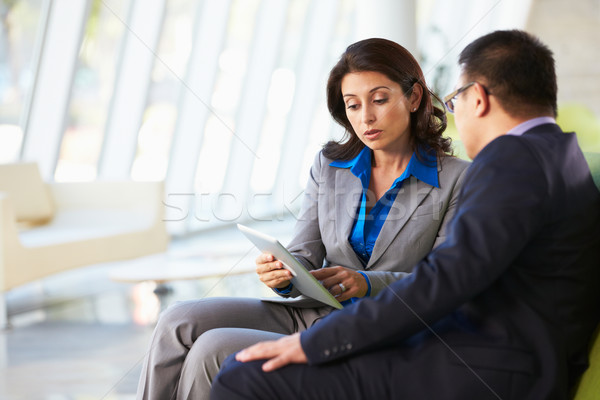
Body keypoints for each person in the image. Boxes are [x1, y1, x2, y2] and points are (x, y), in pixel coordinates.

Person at [211, 30, 600, 400]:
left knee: (243, 375)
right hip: (513, 359)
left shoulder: (509, 160)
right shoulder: (565, 157)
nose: (456, 116)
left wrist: (318, 343)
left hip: (482, 366)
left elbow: (446, 278)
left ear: (477, 98)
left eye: (455, 102)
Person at [136, 38, 469, 400]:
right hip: (313, 311)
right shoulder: (330, 165)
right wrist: (282, 274)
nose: (365, 118)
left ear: (414, 98)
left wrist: (366, 283)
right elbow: (305, 254)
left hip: (381, 326)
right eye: (352, 105)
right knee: (176, 320)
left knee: (213, 347)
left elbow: (443, 280)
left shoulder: (457, 178)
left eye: (379, 100)